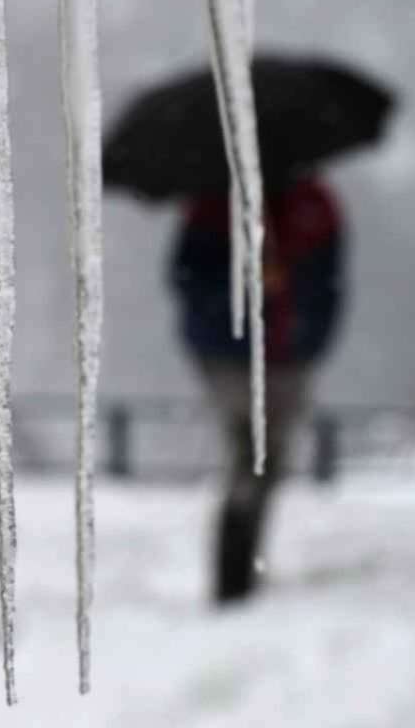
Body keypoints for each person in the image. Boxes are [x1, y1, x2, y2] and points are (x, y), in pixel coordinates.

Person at [170, 173, 346, 604]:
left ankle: (244, 558)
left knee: (269, 458)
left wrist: (302, 328)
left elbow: (327, 283)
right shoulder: (214, 206)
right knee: (250, 451)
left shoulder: (315, 206)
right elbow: (189, 277)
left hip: (287, 354)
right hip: (232, 354)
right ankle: (234, 565)